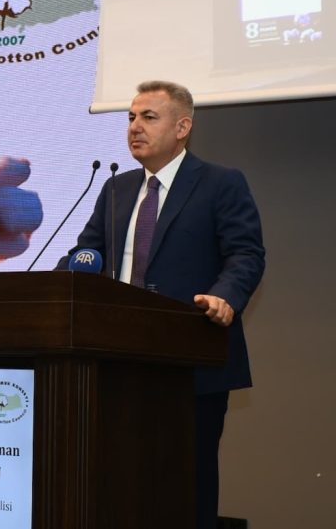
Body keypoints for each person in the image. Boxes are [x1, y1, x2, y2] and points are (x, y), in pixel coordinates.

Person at [59, 80, 265, 529]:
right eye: (131, 117)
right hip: (117, 362)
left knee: (186, 484)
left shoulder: (220, 183)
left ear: (182, 127)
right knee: (117, 482)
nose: (135, 127)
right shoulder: (116, 189)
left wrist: (225, 297)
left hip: (190, 360)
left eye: (148, 117)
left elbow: (245, 254)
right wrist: (56, 285)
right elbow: (85, 254)